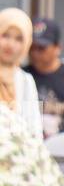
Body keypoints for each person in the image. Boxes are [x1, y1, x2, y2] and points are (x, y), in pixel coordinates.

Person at [0, 8, 42, 139]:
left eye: (19, 39)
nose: (10, 44)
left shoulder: (25, 80)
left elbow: (34, 128)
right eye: (5, 35)